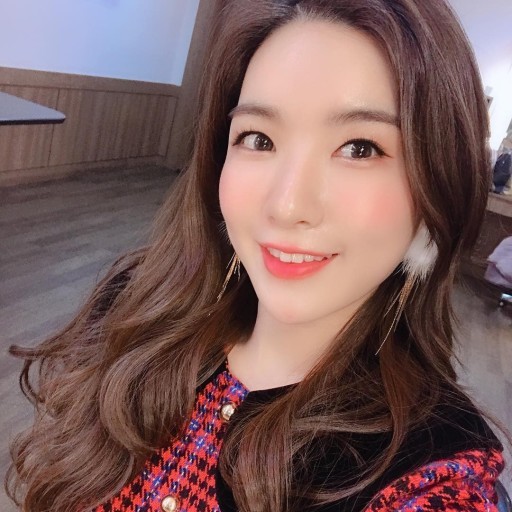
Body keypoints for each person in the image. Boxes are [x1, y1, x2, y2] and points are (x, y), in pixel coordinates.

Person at [6, 0, 507, 511]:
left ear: (438, 184)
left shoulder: (428, 468)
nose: (287, 206)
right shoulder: (132, 310)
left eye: (360, 148)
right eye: (259, 138)